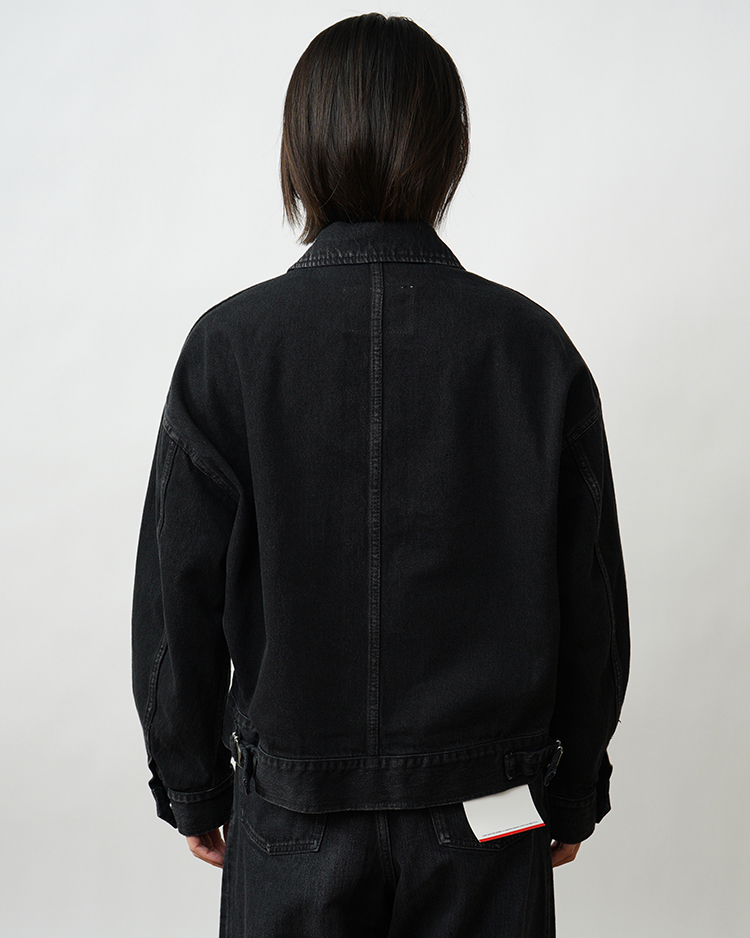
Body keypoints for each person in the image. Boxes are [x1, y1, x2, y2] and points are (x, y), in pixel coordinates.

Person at [131, 12, 630, 937]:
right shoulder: (533, 351)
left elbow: (176, 599)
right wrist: (572, 792)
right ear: (448, 154)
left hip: (290, 816)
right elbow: (590, 603)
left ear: (299, 151)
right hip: (487, 812)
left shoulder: (228, 349)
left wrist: (192, 783)